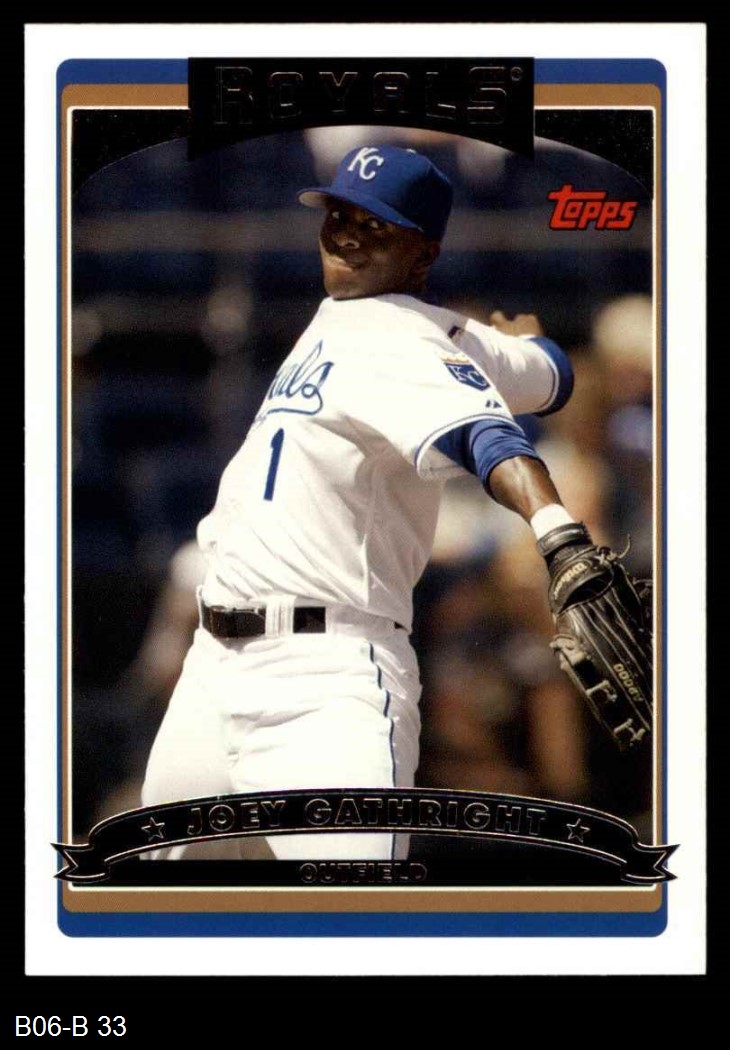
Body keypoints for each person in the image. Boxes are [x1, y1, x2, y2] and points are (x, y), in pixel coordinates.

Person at [141, 144, 579, 861]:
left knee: (349, 913)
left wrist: (556, 530)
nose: (346, 234)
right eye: (339, 214)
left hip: (325, 681)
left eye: (374, 224)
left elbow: (489, 439)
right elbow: (550, 377)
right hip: (212, 670)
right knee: (158, 912)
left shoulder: (404, 339)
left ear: (423, 251)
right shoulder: (417, 330)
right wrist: (534, 351)